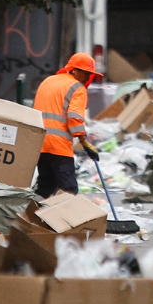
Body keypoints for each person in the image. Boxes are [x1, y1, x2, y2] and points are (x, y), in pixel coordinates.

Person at [32, 52, 103, 197]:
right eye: (86, 73)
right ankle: (61, 213)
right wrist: (85, 143)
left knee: (45, 187)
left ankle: (31, 210)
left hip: (40, 143)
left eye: (90, 74)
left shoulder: (48, 81)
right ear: (74, 70)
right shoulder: (77, 88)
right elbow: (74, 118)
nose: (88, 77)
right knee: (69, 190)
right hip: (59, 146)